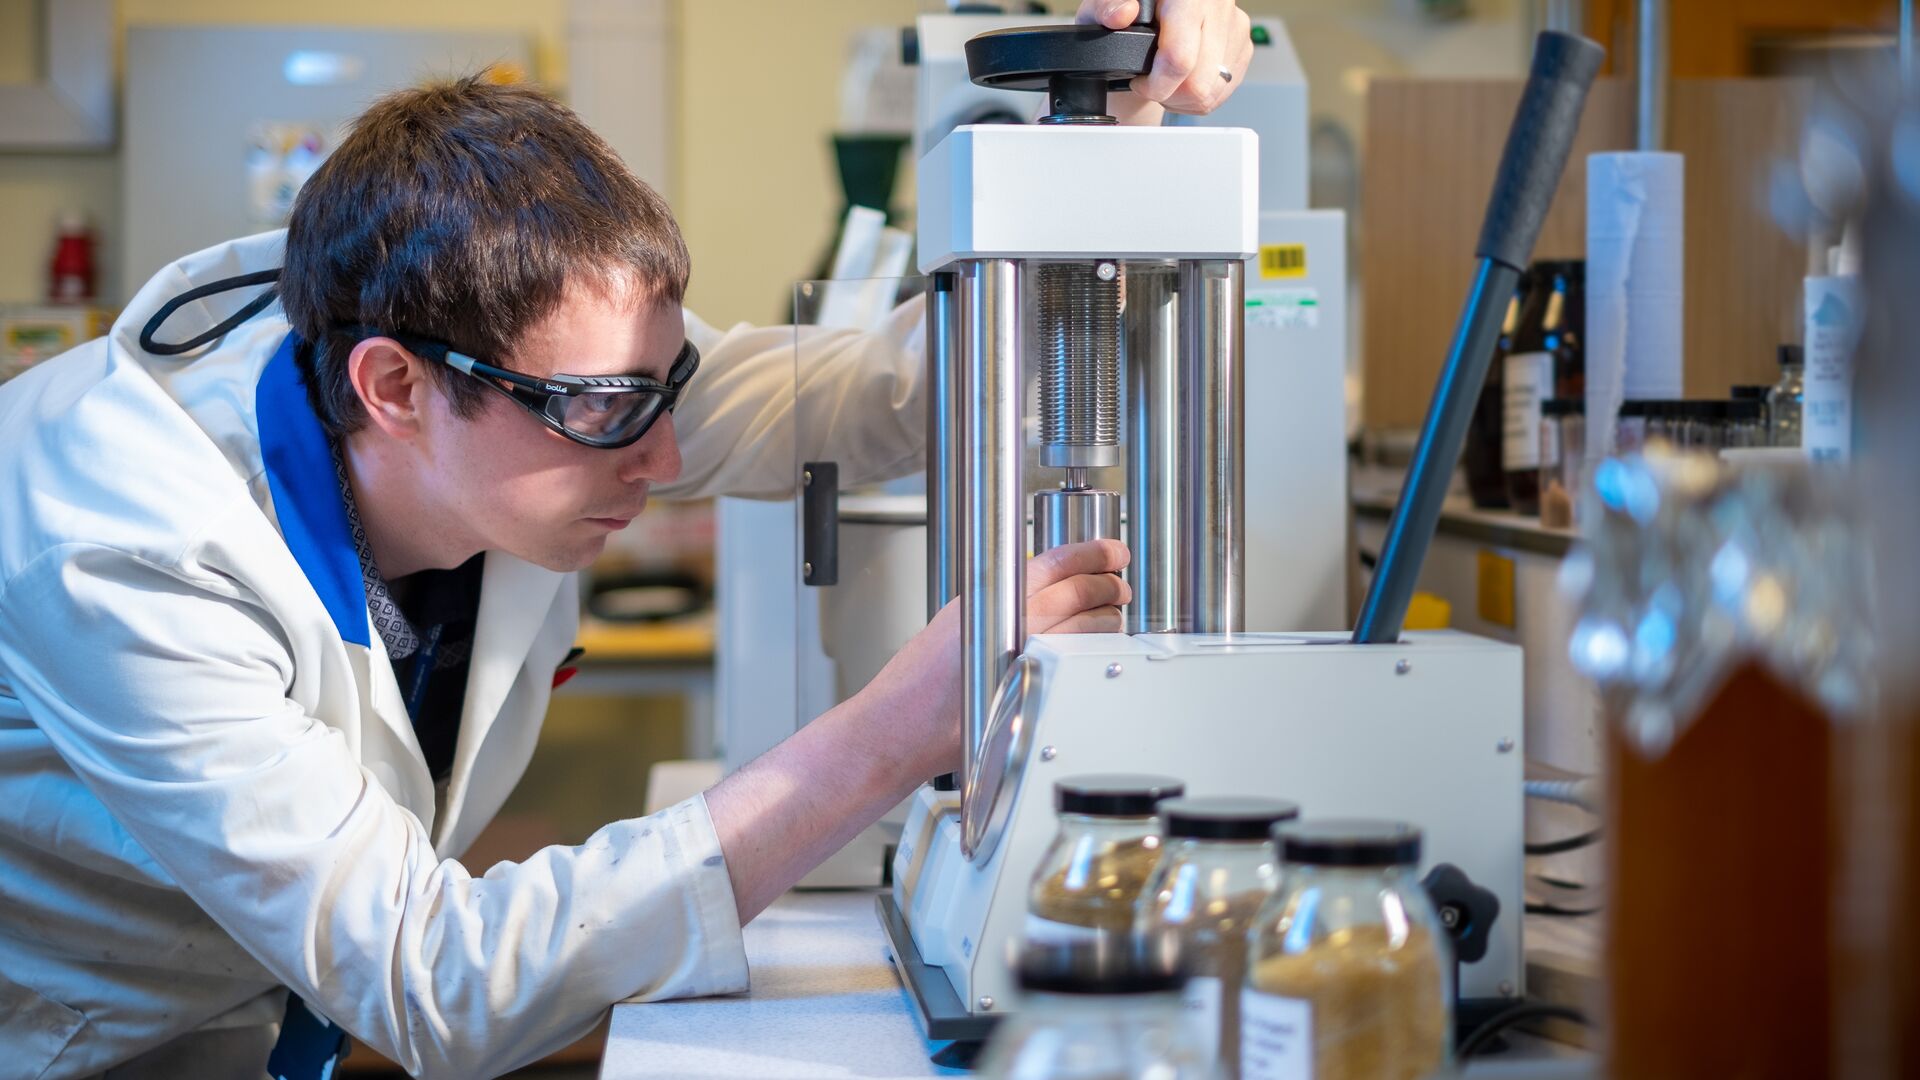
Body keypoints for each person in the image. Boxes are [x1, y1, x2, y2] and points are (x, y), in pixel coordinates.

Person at [0, 4, 1251, 1077]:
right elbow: (435, 982)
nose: (662, 461)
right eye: (605, 414)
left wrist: (1108, 140)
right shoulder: (126, 542)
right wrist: (897, 728)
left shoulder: (488, 336)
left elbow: (841, 396)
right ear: (393, 388)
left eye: (669, 387)